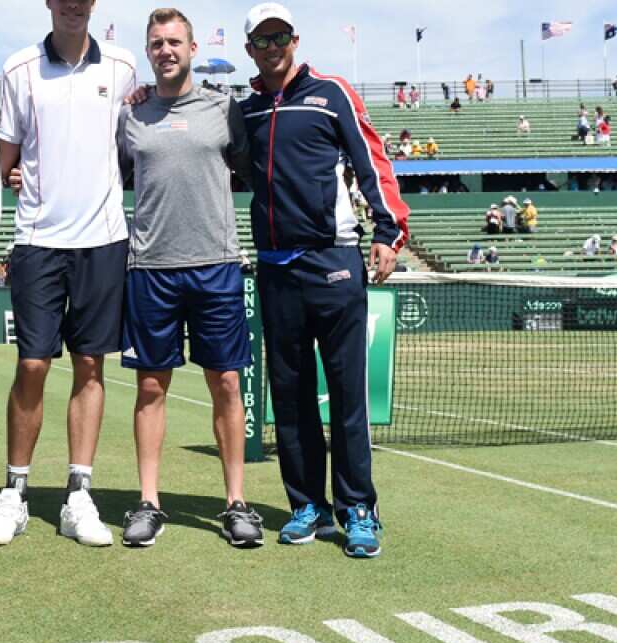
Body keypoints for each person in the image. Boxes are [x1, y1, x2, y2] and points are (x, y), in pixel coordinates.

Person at [239, 3, 408, 557]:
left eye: (279, 36)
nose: (271, 47)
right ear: (249, 51)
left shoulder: (330, 92)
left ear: (293, 39)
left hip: (333, 262)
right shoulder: (246, 112)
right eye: (261, 41)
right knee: (288, 397)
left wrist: (388, 229)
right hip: (275, 268)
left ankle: (358, 507)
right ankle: (305, 506)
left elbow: (371, 159)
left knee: (346, 394)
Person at [0, 0, 137, 549]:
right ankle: (14, 493)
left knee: (91, 365)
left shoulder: (123, 66)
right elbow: (3, 159)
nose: (73, 3)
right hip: (38, 242)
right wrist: (11, 174)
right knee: (33, 364)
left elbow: (131, 143)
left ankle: (78, 494)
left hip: (104, 241)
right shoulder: (19, 68)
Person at [111, 8, 263, 548]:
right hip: (150, 268)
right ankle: (149, 502)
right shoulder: (130, 115)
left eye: (174, 41)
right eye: (156, 43)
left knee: (225, 383)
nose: (165, 50)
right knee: (151, 386)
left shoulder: (224, 107)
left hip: (216, 264)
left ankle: (236, 503)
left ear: (192, 49)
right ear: (148, 52)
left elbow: (252, 170)